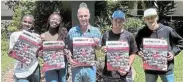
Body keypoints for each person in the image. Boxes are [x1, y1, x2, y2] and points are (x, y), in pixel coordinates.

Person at [135, 8, 183, 82]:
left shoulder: (167, 30)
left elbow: (181, 41)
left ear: (157, 17)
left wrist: (173, 52)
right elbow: (134, 44)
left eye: (152, 17)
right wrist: (138, 51)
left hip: (166, 68)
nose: (150, 20)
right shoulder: (142, 32)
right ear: (144, 19)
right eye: (148, 18)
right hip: (150, 68)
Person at [67, 2, 101, 82]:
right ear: (78, 17)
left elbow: (99, 48)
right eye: (81, 16)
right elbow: (68, 48)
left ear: (89, 16)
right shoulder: (72, 31)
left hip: (90, 67)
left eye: (85, 16)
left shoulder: (96, 31)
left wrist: (97, 44)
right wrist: (70, 59)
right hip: (76, 67)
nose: (83, 18)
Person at [101, 10, 138, 82]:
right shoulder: (106, 35)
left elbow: (133, 52)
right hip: (108, 74)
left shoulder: (129, 36)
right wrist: (103, 49)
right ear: (112, 20)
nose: (118, 23)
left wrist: (128, 66)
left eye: (120, 21)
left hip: (125, 73)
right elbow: (103, 48)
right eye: (115, 20)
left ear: (124, 21)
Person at [9, 14, 40, 82]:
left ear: (33, 24)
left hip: (34, 68)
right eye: (25, 21)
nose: (27, 24)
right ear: (21, 22)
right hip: (20, 70)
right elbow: (11, 51)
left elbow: (38, 53)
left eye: (29, 22)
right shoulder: (14, 35)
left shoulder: (37, 37)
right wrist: (11, 52)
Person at [40, 12, 68, 82]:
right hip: (50, 66)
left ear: (60, 22)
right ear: (49, 20)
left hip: (62, 65)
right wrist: (40, 53)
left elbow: (67, 47)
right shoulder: (43, 36)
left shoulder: (63, 34)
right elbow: (39, 53)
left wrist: (66, 51)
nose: (55, 21)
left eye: (57, 20)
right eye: (53, 19)